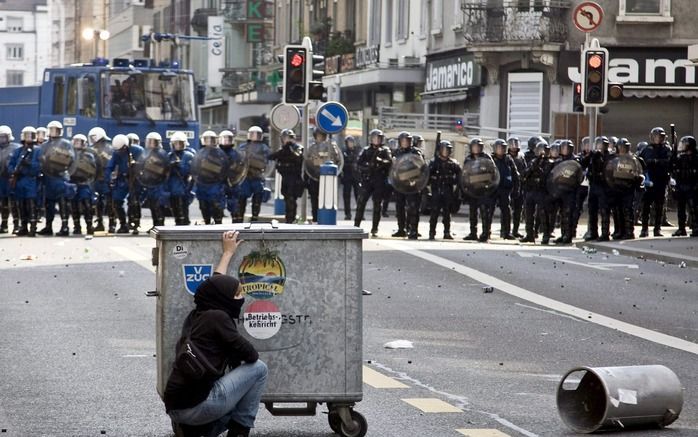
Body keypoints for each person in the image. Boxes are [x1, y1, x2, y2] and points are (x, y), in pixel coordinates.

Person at [165, 231, 267, 437]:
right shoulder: (219, 318)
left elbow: (215, 284)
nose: (241, 297)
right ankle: (240, 430)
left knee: (230, 386)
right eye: (238, 294)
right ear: (225, 299)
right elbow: (252, 356)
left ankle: (200, 429)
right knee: (259, 369)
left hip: (176, 408)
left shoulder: (200, 313)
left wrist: (227, 253)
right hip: (197, 406)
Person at [38, 121, 74, 236]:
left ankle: (65, 227)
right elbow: (40, 159)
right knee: (49, 203)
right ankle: (48, 226)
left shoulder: (65, 143)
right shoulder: (44, 145)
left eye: (56, 129)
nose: (54, 132)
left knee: (63, 202)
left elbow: (71, 159)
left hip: (60, 176)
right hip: (48, 178)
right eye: (52, 129)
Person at [354, 129, 392, 237]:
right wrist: (366, 168)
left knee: (377, 205)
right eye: (374, 138)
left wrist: (381, 161)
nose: (376, 140)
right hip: (367, 180)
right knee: (361, 202)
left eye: (378, 138)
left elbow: (390, 162)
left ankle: (374, 228)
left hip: (379, 180)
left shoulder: (385, 150)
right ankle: (356, 225)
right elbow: (358, 164)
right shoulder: (366, 150)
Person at [105, 133, 144, 234]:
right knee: (117, 201)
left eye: (121, 149)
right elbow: (110, 166)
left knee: (134, 201)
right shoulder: (116, 153)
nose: (119, 152)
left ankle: (135, 223)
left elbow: (145, 164)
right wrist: (108, 178)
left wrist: (136, 165)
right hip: (122, 179)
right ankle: (123, 224)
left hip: (135, 179)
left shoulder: (138, 151)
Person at [638, 127, 672, 237]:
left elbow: (669, 162)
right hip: (649, 181)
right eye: (657, 136)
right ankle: (644, 229)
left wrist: (655, 161)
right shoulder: (646, 149)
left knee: (659, 207)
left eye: (661, 136)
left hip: (661, 181)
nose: (659, 138)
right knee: (646, 206)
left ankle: (657, 229)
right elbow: (640, 163)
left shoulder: (667, 149)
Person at [391, 131, 424, 240]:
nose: (405, 143)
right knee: (399, 207)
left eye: (407, 141)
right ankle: (401, 229)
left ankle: (413, 230)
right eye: (403, 141)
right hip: (400, 184)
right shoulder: (396, 152)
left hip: (412, 183)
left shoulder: (415, 152)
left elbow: (421, 166)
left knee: (413, 208)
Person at [8, 126, 41, 236]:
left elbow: (40, 166)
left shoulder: (37, 150)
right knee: (20, 204)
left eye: (31, 135)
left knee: (31, 204)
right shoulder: (18, 151)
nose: (28, 138)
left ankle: (33, 227)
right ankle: (24, 226)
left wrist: (30, 165)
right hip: (20, 180)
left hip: (31, 180)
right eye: (26, 135)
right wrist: (14, 172)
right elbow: (11, 164)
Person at [520, 141, 553, 244]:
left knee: (543, 214)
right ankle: (530, 234)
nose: (541, 153)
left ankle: (546, 235)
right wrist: (532, 167)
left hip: (542, 191)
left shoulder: (550, 163)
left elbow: (546, 176)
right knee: (528, 213)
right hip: (531, 190)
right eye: (539, 150)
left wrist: (538, 168)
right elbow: (524, 174)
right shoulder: (533, 161)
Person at [427, 140, 461, 240]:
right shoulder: (434, 162)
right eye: (444, 149)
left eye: (448, 150)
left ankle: (447, 232)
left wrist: (454, 182)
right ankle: (432, 232)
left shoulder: (453, 163)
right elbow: (427, 176)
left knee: (447, 213)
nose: (446, 152)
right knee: (434, 212)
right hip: (436, 190)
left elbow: (460, 176)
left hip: (447, 190)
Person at [269, 129, 304, 224]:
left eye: (288, 138)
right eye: (284, 138)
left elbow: (298, 157)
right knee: (287, 198)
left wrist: (290, 148)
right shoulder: (282, 150)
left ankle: (291, 219)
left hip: (295, 178)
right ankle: (288, 219)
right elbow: (272, 157)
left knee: (292, 199)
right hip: (285, 178)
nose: (286, 140)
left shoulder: (298, 148)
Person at [237, 127, 270, 222]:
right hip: (245, 177)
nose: (255, 136)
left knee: (257, 198)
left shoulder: (264, 148)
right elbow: (238, 160)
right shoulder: (243, 146)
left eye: (257, 134)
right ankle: (239, 218)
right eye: (252, 134)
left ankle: (255, 217)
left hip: (257, 176)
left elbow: (268, 162)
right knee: (241, 198)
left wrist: (264, 173)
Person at [490, 139, 520, 240]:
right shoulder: (491, 159)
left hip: (505, 189)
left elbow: (515, 175)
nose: (501, 150)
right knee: (489, 210)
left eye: (503, 148)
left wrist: (516, 188)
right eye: (499, 148)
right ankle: (486, 231)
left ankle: (506, 232)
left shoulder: (508, 159)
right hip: (493, 189)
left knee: (506, 211)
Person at [195, 131, 226, 225]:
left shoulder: (220, 154)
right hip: (202, 184)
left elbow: (224, 168)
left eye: (211, 139)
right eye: (207, 139)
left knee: (216, 206)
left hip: (215, 184)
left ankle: (218, 225)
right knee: (204, 206)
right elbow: (195, 168)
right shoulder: (200, 153)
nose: (209, 142)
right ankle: (207, 223)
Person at [670, 135, 698, 237]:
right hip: (681, 185)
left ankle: (696, 228)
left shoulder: (696, 158)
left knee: (693, 208)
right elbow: (672, 169)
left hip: (691, 186)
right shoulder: (679, 157)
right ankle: (681, 228)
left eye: (684, 144)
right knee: (680, 208)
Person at [69, 134, 96, 235]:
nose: (77, 143)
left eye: (79, 141)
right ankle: (77, 226)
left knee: (87, 205)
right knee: (73, 205)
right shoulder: (70, 154)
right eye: (75, 141)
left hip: (84, 183)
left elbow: (92, 169)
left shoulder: (89, 155)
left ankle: (89, 225)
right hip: (72, 183)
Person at [88, 127, 113, 232]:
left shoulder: (106, 149)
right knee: (104, 202)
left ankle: (105, 223)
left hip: (101, 179)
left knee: (104, 202)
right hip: (101, 179)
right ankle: (107, 223)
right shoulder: (110, 148)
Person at [168, 132, 195, 226]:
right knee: (174, 207)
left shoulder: (189, 155)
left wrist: (180, 167)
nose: (178, 145)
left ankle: (185, 223)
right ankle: (177, 222)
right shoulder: (169, 156)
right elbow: (164, 171)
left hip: (184, 186)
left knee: (183, 207)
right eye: (176, 143)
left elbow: (192, 171)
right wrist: (170, 166)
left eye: (181, 143)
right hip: (172, 187)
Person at [0, 125, 20, 234]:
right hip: (1, 179)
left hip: (12, 179)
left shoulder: (16, 148)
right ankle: (4, 224)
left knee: (14, 202)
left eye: (4, 137)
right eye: (0, 137)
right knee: (3, 203)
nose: (2, 139)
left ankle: (17, 225)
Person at [507, 136, 527, 238]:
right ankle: (505, 230)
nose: (514, 147)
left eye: (516, 144)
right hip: (508, 185)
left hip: (519, 186)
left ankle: (515, 230)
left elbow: (525, 169)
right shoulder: (506, 157)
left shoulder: (521, 156)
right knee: (507, 209)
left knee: (518, 209)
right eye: (512, 144)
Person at [340, 135, 361, 220]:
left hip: (356, 176)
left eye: (352, 142)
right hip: (347, 176)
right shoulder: (344, 152)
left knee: (358, 196)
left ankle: (360, 214)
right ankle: (347, 214)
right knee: (346, 196)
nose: (351, 144)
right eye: (349, 142)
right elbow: (341, 163)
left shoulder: (357, 151)